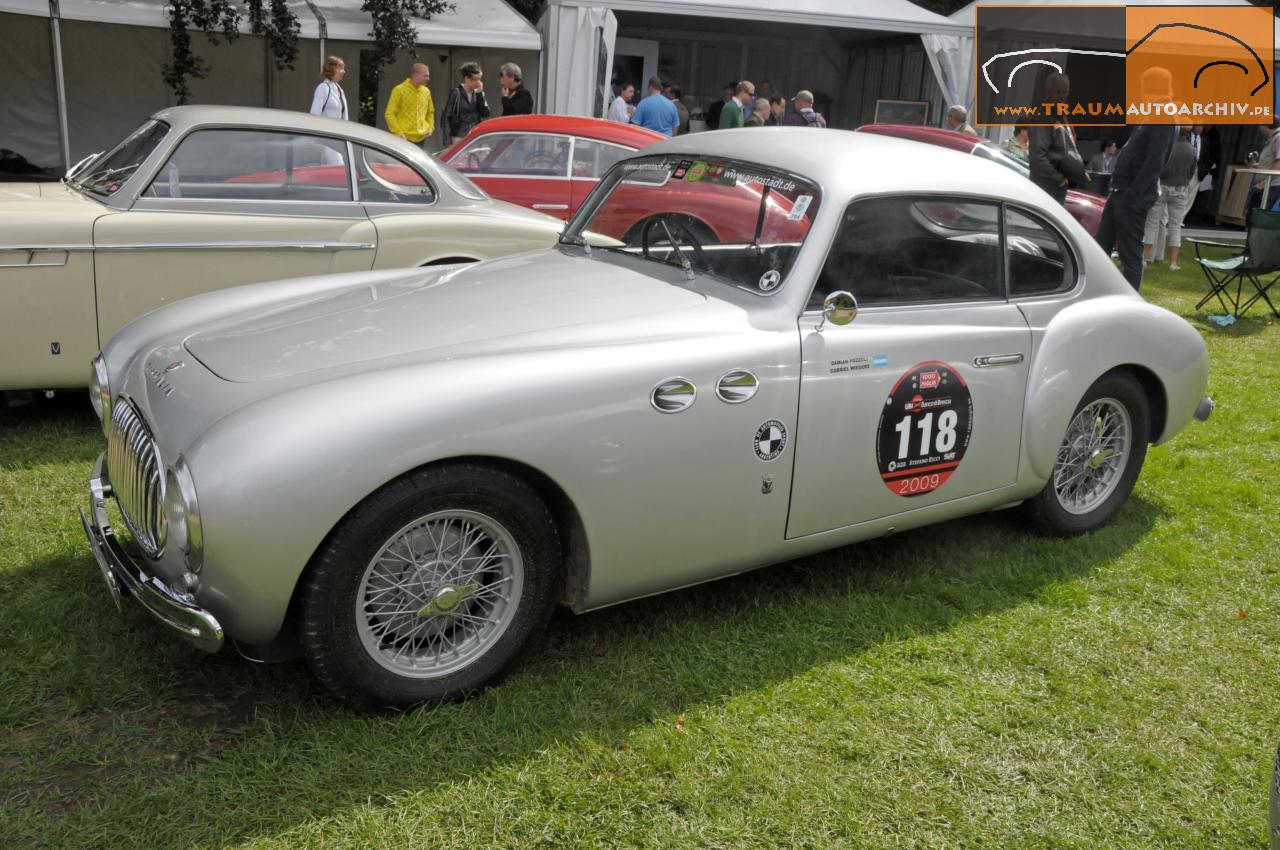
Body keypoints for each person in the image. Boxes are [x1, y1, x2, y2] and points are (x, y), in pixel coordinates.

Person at [1093, 67, 1178, 290]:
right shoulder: (1152, 114)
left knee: (1130, 254)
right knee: (1101, 246)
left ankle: (1129, 301)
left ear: (1151, 89)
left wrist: (1133, 194)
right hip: (1121, 190)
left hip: (1132, 194)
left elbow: (1154, 161)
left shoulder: (1163, 116)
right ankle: (1098, 291)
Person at [1143, 125, 1197, 270]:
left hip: (1163, 187)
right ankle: (1173, 263)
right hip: (1181, 189)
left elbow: (1161, 168)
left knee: (1152, 223)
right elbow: (1191, 173)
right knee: (1175, 227)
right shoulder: (1192, 150)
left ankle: (1145, 257)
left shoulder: (1168, 146)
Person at [1028, 73, 1082, 205]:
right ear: (1047, 93)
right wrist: (1059, 178)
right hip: (1045, 188)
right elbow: (1037, 158)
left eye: (1065, 92)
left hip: (1058, 188)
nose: (1062, 96)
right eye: (1058, 91)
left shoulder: (1061, 116)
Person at [384, 63, 435, 149]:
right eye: (425, 76)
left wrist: (430, 128)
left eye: (428, 76)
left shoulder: (426, 92)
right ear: (415, 75)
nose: (428, 79)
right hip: (404, 138)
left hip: (422, 138)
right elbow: (389, 114)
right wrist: (399, 133)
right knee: (402, 163)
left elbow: (430, 112)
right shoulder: (399, 90)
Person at [442, 62, 490, 146]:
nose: (478, 82)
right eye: (475, 79)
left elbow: (486, 113)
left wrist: (480, 93)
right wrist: (447, 140)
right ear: (467, 78)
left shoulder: (478, 94)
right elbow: (446, 117)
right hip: (459, 136)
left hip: (475, 136)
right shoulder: (456, 93)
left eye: (479, 79)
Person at [309, 55, 348, 120]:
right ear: (332, 69)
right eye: (341, 68)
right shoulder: (323, 88)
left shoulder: (340, 90)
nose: (344, 71)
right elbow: (314, 115)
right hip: (326, 129)